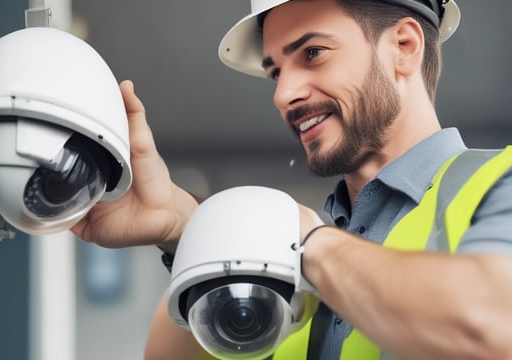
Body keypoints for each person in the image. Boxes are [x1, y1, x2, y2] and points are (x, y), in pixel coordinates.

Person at [72, 0, 512, 359]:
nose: (283, 95)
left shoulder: (499, 182)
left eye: (313, 54)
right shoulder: (286, 252)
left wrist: (310, 243)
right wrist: (191, 231)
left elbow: (488, 327)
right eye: (276, 72)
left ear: (404, 45)